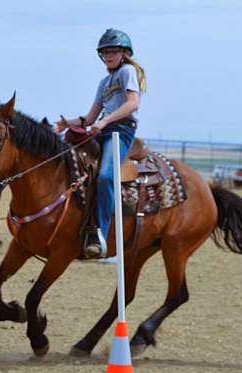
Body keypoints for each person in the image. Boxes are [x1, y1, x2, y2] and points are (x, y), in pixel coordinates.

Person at [55, 28, 147, 258]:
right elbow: (90, 118)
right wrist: (68, 123)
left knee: (106, 176)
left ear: (124, 53)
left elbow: (132, 103)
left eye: (113, 52)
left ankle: (102, 237)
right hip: (102, 132)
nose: (108, 56)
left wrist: (106, 120)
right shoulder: (104, 82)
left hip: (121, 132)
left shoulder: (127, 72)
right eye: (105, 53)